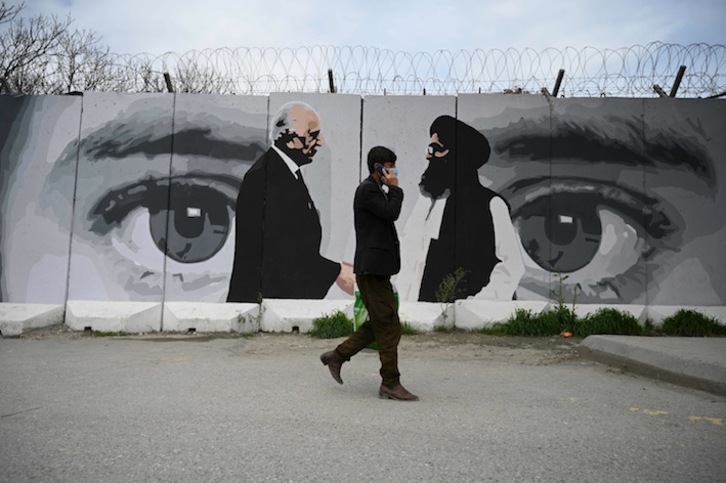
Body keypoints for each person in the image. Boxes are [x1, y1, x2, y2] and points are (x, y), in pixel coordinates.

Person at [226, 101, 354, 302]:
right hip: (264, 300)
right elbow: (281, 249)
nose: (320, 141)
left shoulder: (285, 172)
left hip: (273, 298)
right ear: (289, 139)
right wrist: (335, 272)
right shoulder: (266, 177)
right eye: (312, 135)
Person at [320, 146, 418, 402]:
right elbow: (391, 213)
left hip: (378, 268)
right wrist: (395, 188)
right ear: (377, 167)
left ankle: (337, 356)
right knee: (388, 324)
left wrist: (391, 189)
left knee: (380, 322)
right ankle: (390, 382)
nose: (393, 171)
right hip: (370, 269)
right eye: (389, 166)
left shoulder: (377, 191)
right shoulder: (367, 190)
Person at [398, 115, 524, 302]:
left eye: (436, 149)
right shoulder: (425, 203)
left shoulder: (491, 205)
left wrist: (475, 307)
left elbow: (511, 266)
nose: (428, 155)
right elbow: (410, 258)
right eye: (428, 149)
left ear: (459, 155)